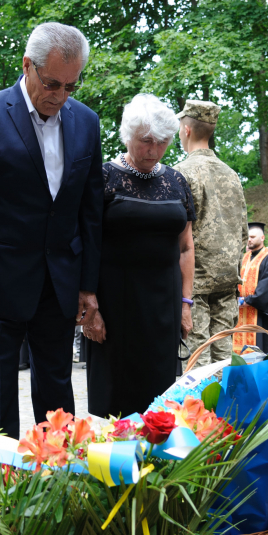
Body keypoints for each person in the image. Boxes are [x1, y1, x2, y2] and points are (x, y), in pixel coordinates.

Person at [0, 21, 103, 438]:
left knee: (58, 395)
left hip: (59, 287)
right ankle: (0, 485)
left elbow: (89, 213)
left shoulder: (86, 123)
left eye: (71, 87)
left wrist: (87, 288)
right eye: (52, 83)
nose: (60, 96)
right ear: (27, 66)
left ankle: (57, 479)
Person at [81, 94, 193, 418]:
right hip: (113, 308)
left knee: (159, 402)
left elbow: (185, 247)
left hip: (164, 308)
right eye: (146, 141)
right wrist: (89, 308)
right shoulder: (103, 177)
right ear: (127, 135)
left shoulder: (176, 181)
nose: (154, 150)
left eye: (163, 142)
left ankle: (155, 466)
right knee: (113, 402)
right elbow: (85, 244)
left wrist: (186, 305)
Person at [172, 99, 247, 368]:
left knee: (198, 363)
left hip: (196, 286)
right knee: (225, 360)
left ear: (186, 129)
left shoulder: (180, 174)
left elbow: (177, 236)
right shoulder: (232, 175)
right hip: (227, 283)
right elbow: (243, 232)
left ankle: (202, 411)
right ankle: (227, 411)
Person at [235, 222, 268, 353]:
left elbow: (267, 288)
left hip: (260, 313)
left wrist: (246, 300)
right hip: (241, 313)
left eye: (253, 236)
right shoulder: (245, 257)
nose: (249, 239)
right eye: (248, 237)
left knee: (259, 351)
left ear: (262, 238)